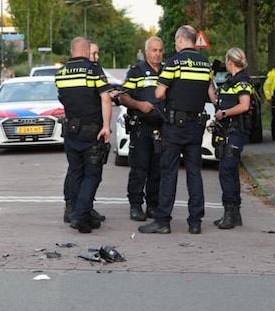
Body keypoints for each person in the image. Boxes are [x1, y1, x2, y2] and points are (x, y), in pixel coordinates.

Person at [138, 25, 212, 235]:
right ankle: (195, 222)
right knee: (194, 173)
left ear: (180, 40)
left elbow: (160, 93)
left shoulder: (174, 62)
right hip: (196, 126)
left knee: (168, 173)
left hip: (174, 126)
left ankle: (163, 221)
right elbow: (210, 92)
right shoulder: (205, 64)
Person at [56, 37, 113, 233]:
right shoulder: (93, 70)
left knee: (75, 172)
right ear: (87, 50)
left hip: (71, 130)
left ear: (72, 50)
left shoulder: (61, 73)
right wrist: (106, 126)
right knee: (92, 174)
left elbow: (64, 99)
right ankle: (80, 216)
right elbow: (105, 99)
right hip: (92, 131)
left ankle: (80, 213)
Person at [118, 36, 165, 221]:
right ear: (146, 52)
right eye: (154, 50)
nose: (158, 54)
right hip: (141, 127)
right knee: (139, 168)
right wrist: (138, 105)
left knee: (157, 168)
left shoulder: (167, 71)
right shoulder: (136, 72)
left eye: (160, 50)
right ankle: (136, 205)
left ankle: (153, 205)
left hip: (161, 127)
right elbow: (123, 97)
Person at [209, 47, 254, 230]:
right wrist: (209, 81)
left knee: (226, 170)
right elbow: (216, 100)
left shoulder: (242, 81)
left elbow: (244, 105)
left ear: (229, 61)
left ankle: (230, 213)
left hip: (236, 131)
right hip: (227, 131)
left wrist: (225, 113)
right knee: (230, 170)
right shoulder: (230, 81)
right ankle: (234, 214)